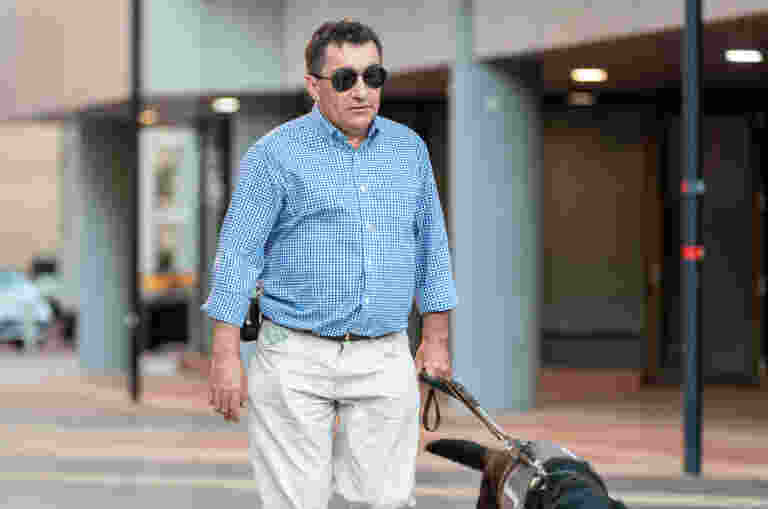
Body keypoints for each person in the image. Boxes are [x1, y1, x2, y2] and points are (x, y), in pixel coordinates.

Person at [203, 19, 457, 509]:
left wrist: (437, 340)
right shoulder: (274, 154)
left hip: (384, 353)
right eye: (345, 79)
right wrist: (225, 356)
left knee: (386, 500)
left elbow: (432, 249)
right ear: (313, 86)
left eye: (373, 76)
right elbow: (237, 255)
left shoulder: (409, 151)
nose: (361, 91)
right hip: (293, 355)